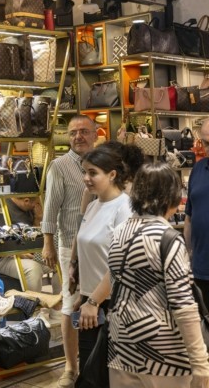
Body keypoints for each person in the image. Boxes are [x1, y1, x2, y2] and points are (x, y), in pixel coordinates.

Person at [106, 162, 209, 387]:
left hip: (121, 345)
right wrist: (201, 364)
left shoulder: (119, 232)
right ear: (171, 196)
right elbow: (183, 305)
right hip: (164, 354)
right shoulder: (167, 238)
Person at [69, 141, 143, 376]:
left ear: (112, 174)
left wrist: (94, 301)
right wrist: (84, 294)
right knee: (90, 374)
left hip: (115, 305)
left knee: (111, 376)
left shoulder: (125, 208)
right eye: (85, 172)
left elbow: (121, 265)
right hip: (93, 303)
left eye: (93, 173)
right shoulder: (92, 206)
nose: (86, 178)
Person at [40, 114, 96, 387]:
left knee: (98, 300)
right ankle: (70, 368)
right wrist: (47, 242)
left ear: (95, 134)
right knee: (70, 302)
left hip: (102, 247)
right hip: (70, 246)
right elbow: (50, 208)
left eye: (84, 131)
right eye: (73, 133)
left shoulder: (104, 163)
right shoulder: (59, 167)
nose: (78, 137)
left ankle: (93, 363)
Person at [0, 196, 60, 293]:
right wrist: (20, 253)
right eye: (37, 203)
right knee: (33, 268)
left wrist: (38, 218)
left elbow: (32, 234)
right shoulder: (1, 205)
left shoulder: (29, 209)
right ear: (26, 201)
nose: (37, 206)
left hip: (29, 253)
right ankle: (32, 304)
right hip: (5, 257)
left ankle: (58, 300)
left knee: (59, 262)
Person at [186, 119, 209, 305]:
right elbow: (189, 217)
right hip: (201, 268)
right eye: (205, 143)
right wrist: (188, 255)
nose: (207, 149)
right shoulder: (198, 169)